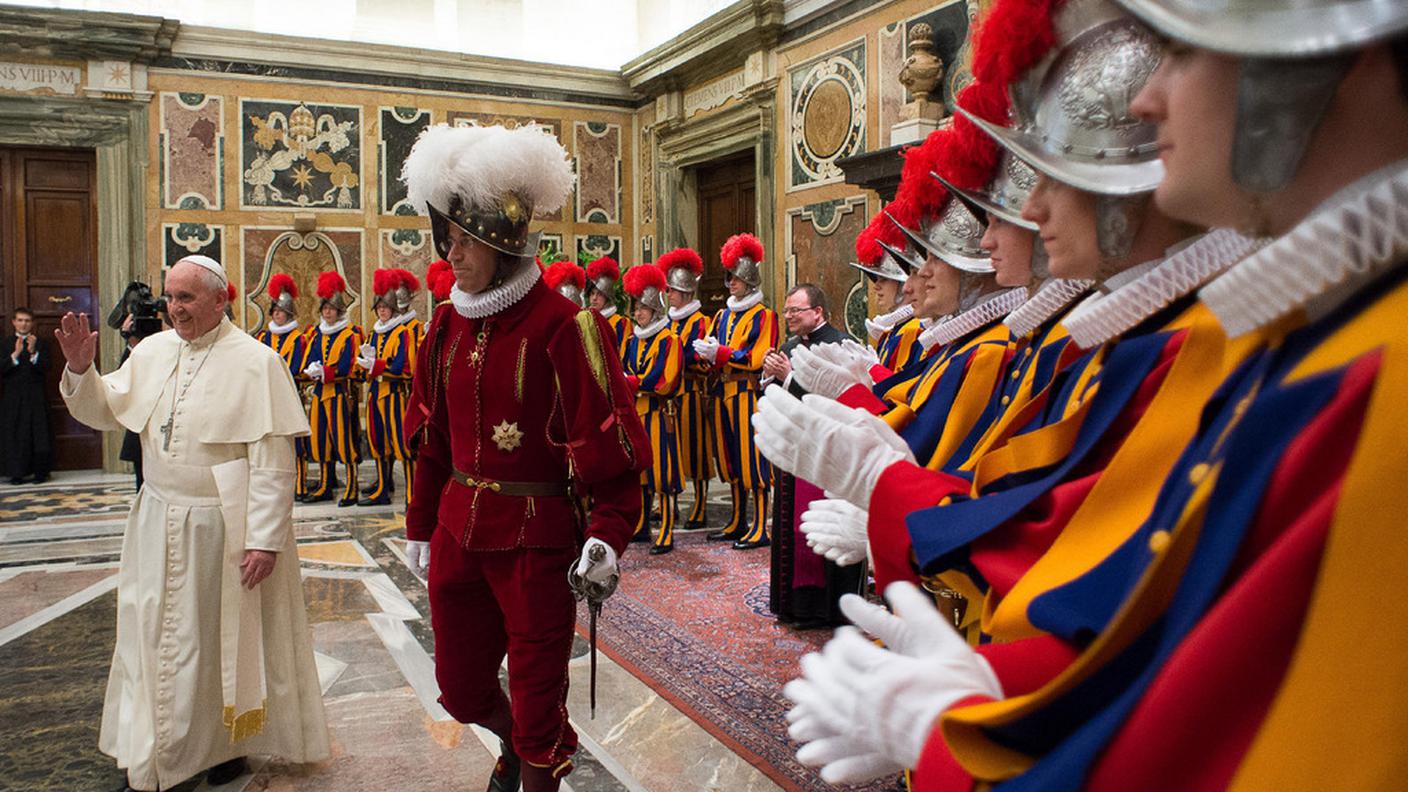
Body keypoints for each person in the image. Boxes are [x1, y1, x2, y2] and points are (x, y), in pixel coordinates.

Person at [398, 123, 650, 792]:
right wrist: (421, 523)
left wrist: (608, 536)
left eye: (462, 239)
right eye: (447, 237)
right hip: (458, 532)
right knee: (458, 688)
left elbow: (614, 453)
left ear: (500, 242)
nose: (450, 252)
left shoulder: (566, 327)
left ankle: (534, 764)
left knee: (540, 700)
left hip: (537, 544)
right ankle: (518, 747)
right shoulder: (445, 325)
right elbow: (433, 439)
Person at [54, 254, 329, 792]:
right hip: (156, 517)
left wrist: (265, 540)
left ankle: (222, 745)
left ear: (220, 299)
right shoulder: (153, 350)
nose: (173, 308)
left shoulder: (256, 363)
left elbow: (273, 462)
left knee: (215, 646)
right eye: (170, 297)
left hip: (221, 527)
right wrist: (82, 371)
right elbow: (106, 410)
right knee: (153, 635)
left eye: (185, 297)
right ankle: (157, 748)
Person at [761, 284, 865, 627]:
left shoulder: (841, 344)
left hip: (829, 452)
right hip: (795, 450)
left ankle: (829, 610)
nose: (788, 316)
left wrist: (788, 376)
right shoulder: (789, 346)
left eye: (796, 311)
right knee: (794, 528)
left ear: (817, 312)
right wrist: (769, 377)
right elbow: (780, 393)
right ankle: (796, 607)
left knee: (825, 527)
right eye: (787, 310)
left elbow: (839, 398)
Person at [694, 233, 779, 550]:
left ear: (750, 280)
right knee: (729, 460)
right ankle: (736, 520)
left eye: (736, 278)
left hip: (747, 393)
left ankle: (759, 525)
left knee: (751, 460)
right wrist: (705, 356)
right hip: (720, 392)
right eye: (728, 277)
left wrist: (722, 354)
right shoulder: (720, 315)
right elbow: (712, 353)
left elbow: (759, 358)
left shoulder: (764, 315)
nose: (730, 283)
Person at [621, 264, 684, 554]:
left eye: (643, 308)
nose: (638, 314)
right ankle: (642, 526)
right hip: (637, 413)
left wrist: (632, 382)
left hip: (659, 413)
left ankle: (667, 530)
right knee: (642, 474)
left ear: (655, 309)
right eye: (636, 308)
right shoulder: (633, 340)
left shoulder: (669, 340)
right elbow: (623, 370)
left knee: (663, 475)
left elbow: (663, 380)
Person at [657, 247, 715, 530]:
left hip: (692, 391)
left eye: (673, 290)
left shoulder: (701, 321)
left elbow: (698, 356)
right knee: (669, 451)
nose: (669, 294)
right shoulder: (666, 321)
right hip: (670, 396)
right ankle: (671, 504)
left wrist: (674, 356)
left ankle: (701, 503)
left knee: (696, 450)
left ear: (686, 292)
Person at [358, 268, 420, 506]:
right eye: (379, 307)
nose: (382, 311)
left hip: (393, 394)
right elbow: (365, 363)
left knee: (402, 445)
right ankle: (382, 489)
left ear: (393, 309)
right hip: (375, 393)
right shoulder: (374, 333)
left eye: (385, 307)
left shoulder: (402, 333)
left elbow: (404, 367)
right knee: (378, 442)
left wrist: (377, 366)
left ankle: (411, 494)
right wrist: (365, 364)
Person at [301, 271, 362, 506]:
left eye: (331, 309)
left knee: (343, 441)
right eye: (324, 309)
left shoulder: (349, 335)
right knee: (319, 440)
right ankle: (326, 484)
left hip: (338, 393)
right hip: (319, 393)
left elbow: (347, 365)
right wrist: (312, 370)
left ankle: (352, 486)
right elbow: (312, 358)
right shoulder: (317, 334)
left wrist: (326, 372)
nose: (327, 312)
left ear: (339, 311)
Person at [255, 273, 312, 501]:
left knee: (296, 441)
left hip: (290, 393)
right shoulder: (263, 337)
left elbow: (297, 365)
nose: (277, 315)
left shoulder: (298, 339)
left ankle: (299, 484)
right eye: (275, 311)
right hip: (268, 395)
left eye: (281, 312)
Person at [2, 307, 52, 484]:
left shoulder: (41, 343)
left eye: (27, 321)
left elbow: (46, 367)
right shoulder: (6, 343)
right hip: (13, 399)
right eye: (20, 320)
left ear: (32, 323)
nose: (24, 324)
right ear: (14, 322)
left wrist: (33, 353)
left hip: (36, 396)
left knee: (39, 435)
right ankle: (17, 473)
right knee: (16, 435)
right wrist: (15, 354)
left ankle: (40, 473)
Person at [585, 256, 629, 356]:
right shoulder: (585, 321)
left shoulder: (621, 323)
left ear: (607, 296)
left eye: (599, 294)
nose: (594, 298)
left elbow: (623, 354)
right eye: (592, 293)